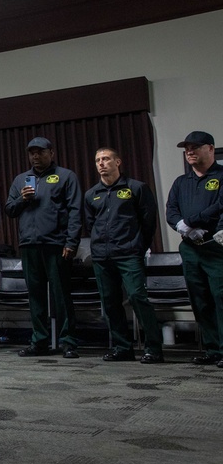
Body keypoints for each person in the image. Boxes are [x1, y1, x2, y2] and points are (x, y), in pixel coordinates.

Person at [4, 137, 83, 359]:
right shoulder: (22, 179)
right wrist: (22, 199)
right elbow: (9, 209)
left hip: (56, 245)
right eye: (32, 153)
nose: (35, 156)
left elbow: (76, 211)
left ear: (51, 153)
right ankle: (39, 342)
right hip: (29, 245)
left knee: (61, 295)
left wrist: (71, 242)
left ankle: (68, 342)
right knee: (35, 296)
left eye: (40, 152)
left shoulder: (66, 176)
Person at [84, 148, 161, 363]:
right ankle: (122, 347)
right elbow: (91, 225)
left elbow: (148, 221)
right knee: (110, 302)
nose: (101, 163)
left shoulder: (136, 188)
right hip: (102, 256)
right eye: (98, 160)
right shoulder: (91, 194)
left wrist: (137, 246)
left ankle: (153, 348)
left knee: (137, 297)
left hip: (128, 254)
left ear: (118, 162)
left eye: (106, 159)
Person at [165, 131, 223, 366]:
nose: (189, 151)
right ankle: (212, 349)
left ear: (210, 148)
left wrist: (193, 221)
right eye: (186, 148)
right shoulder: (181, 182)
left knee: (220, 297)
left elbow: (220, 206)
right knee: (199, 299)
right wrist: (184, 228)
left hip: (215, 247)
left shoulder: (221, 176)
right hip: (191, 248)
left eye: (195, 147)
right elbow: (171, 211)